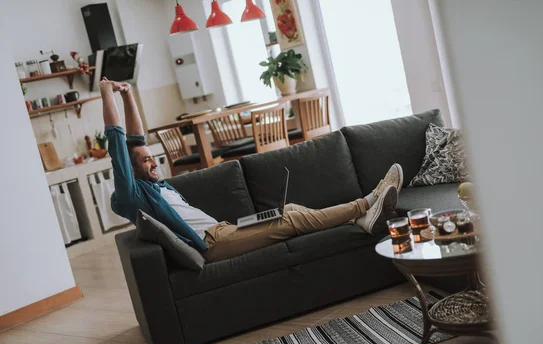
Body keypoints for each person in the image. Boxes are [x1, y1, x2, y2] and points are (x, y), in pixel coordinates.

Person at [100, 78, 402, 263]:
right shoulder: (132, 195)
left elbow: (136, 140)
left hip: (225, 228)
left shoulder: (155, 185)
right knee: (291, 219)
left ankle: (361, 218)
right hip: (212, 245)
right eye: (145, 161)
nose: (153, 163)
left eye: (153, 157)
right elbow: (119, 144)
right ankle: (368, 202)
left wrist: (127, 94)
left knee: (291, 208)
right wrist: (107, 94)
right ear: (130, 170)